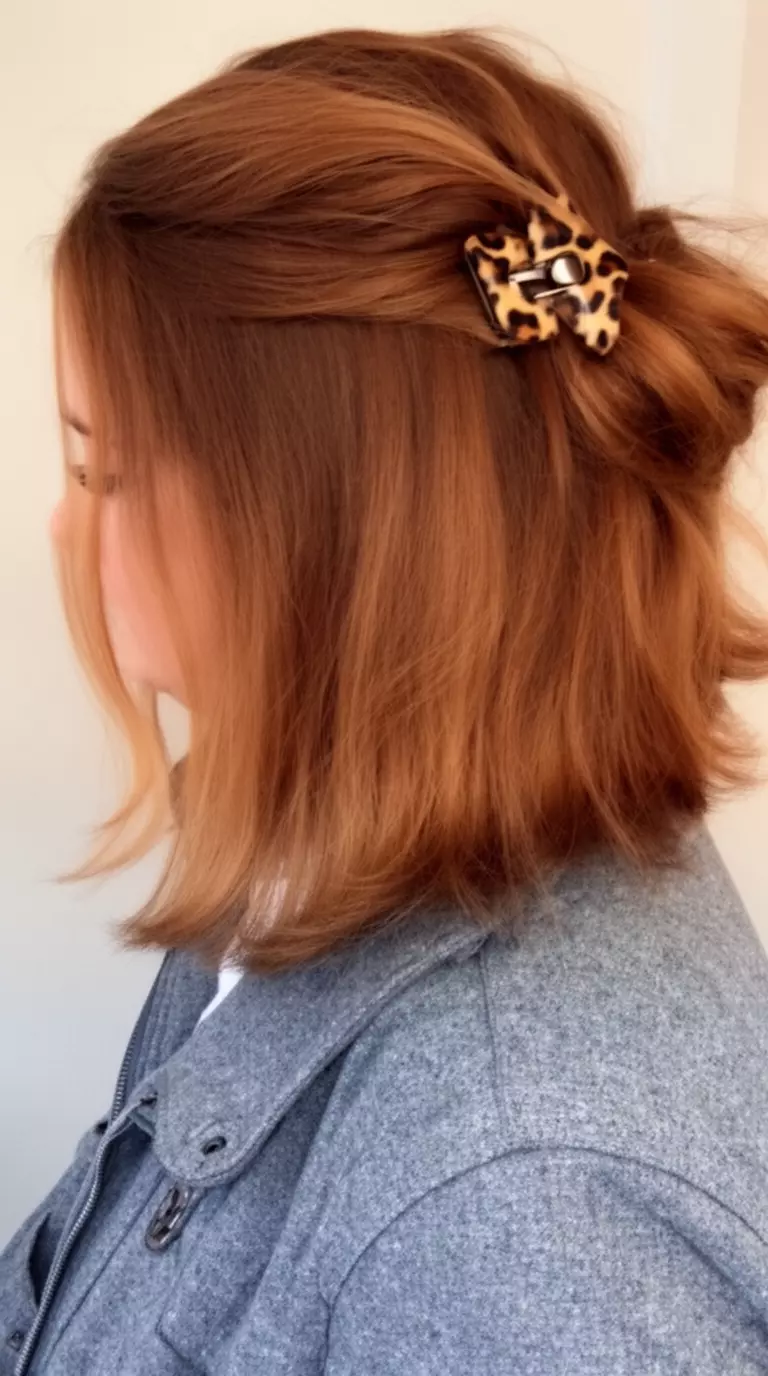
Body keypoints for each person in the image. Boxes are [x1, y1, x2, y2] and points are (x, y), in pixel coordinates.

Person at [3, 23, 768, 1376]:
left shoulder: (528, 1227)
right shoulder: (315, 835)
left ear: (325, 538)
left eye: (104, 466)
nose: (61, 528)